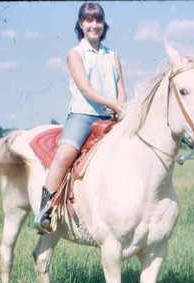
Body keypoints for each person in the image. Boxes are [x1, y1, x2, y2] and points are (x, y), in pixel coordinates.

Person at [34, 1, 127, 234]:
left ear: (104, 24)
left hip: (112, 117)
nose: (94, 25)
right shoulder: (75, 54)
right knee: (65, 155)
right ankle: (46, 211)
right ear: (80, 24)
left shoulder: (113, 56)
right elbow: (86, 89)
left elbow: (121, 88)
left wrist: (123, 108)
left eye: (98, 20)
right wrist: (113, 104)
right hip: (83, 115)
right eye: (89, 20)